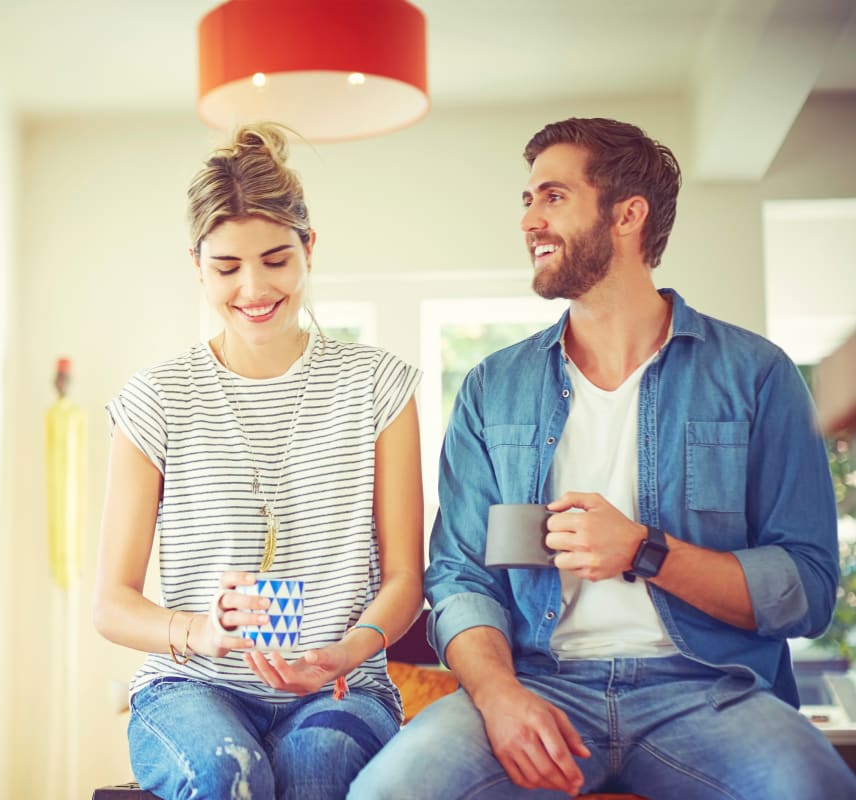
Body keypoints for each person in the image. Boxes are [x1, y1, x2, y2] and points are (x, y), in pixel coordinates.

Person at [349, 117, 856, 799]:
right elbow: (461, 577)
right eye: (526, 200)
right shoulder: (492, 389)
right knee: (389, 792)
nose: (530, 219)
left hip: (712, 695)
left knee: (813, 787)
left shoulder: (757, 376)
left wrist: (645, 551)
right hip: (538, 686)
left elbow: (809, 587)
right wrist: (499, 697)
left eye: (553, 196)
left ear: (628, 214)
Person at [93, 122, 424, 800]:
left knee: (315, 767)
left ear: (309, 248)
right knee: (225, 770)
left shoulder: (378, 387)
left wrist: (347, 650)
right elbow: (111, 604)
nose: (254, 288)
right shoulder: (155, 398)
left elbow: (404, 579)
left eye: (276, 260)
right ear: (196, 264)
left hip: (342, 685)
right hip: (191, 686)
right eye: (226, 267)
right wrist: (198, 631)